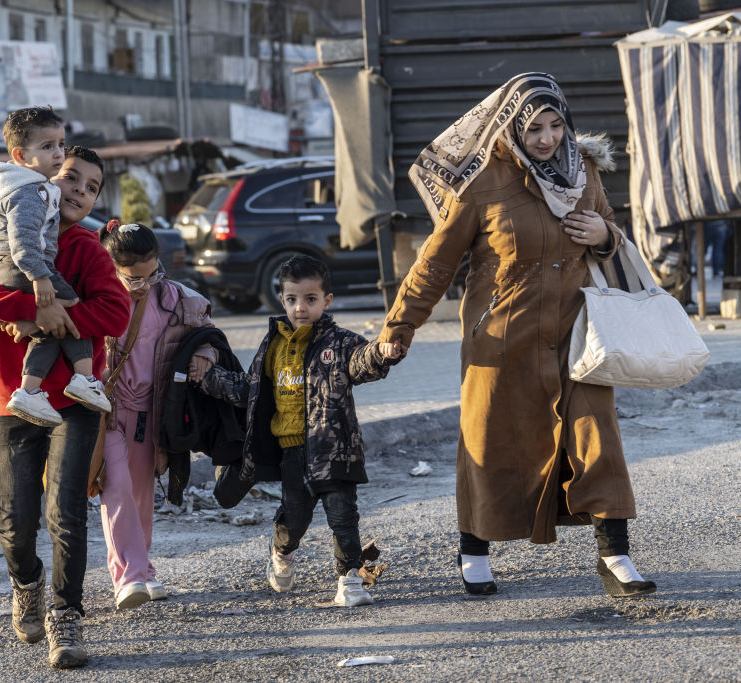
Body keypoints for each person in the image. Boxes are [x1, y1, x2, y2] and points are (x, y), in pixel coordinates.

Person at [377, 73, 656, 599]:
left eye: (556, 125)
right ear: (511, 127)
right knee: (489, 442)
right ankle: (474, 550)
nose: (548, 138)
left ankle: (615, 556)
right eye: (535, 129)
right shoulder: (482, 180)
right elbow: (435, 263)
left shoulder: (584, 171)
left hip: (578, 335)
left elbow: (609, 232)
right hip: (502, 337)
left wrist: (604, 234)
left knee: (597, 438)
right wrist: (400, 326)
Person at [0, 146, 131, 669]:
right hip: (15, 399)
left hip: (75, 401)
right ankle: (26, 584)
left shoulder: (89, 249)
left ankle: (66, 616)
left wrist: (55, 317)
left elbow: (115, 313)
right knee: (14, 521)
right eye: (70, 177)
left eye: (91, 187)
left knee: (65, 512)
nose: (78, 190)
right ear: (44, 179)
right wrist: (35, 308)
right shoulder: (7, 238)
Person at [199, 255, 400, 607]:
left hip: (336, 450)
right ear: (282, 299)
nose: (300, 308)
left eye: (310, 299)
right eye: (292, 299)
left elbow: (362, 362)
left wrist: (383, 353)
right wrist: (209, 377)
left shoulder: (340, 342)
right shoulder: (273, 345)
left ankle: (350, 580)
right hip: (292, 453)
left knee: (344, 518)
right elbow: (250, 389)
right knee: (294, 519)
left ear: (327, 300)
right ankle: (281, 552)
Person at [95, 221, 218, 609]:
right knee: (116, 488)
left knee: (141, 496)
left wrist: (204, 355)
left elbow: (208, 335)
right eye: (133, 278)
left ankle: (144, 570)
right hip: (107, 411)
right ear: (112, 266)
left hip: (152, 413)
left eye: (152, 274)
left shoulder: (177, 299)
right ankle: (128, 577)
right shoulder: (96, 295)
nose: (143, 285)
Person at [0, 105, 111, 428]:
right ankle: (84, 378)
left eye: (60, 145)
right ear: (21, 156)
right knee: (67, 302)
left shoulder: (90, 248)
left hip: (64, 408)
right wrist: (37, 295)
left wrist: (35, 320)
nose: (57, 153)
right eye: (48, 147)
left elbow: (117, 314)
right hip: (8, 401)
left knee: (52, 325)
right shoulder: (31, 191)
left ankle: (34, 390)